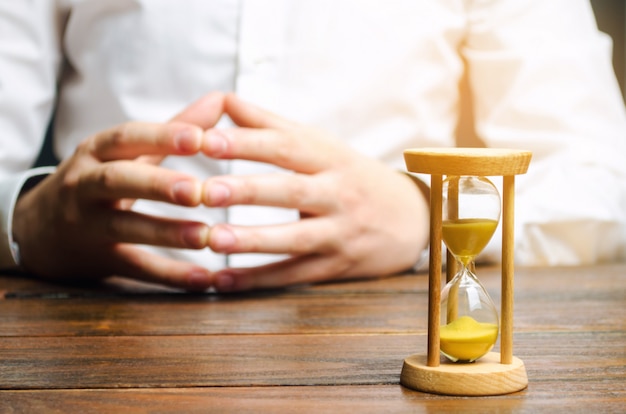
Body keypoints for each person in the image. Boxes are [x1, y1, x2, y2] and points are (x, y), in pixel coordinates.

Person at [1, 0, 625, 292]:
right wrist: (26, 218)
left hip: (380, 332)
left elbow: (607, 180)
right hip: (89, 333)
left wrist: (426, 217)